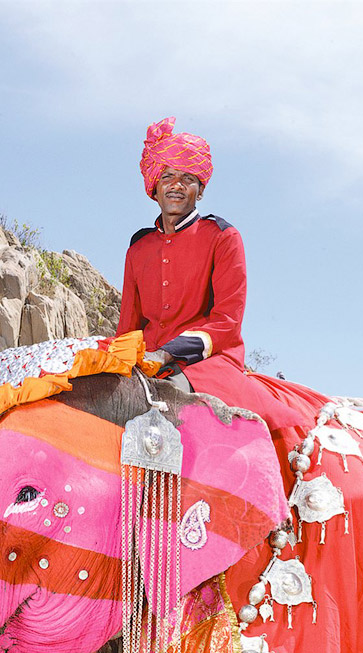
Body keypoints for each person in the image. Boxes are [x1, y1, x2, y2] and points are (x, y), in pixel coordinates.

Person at [116, 118, 301, 433]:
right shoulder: (139, 248)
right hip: (145, 363)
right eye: (167, 176)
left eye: (187, 178)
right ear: (154, 187)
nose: (176, 185)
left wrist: (166, 354)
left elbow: (226, 322)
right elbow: (128, 327)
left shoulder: (223, 237)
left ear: (200, 190)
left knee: (166, 409)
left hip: (206, 364)